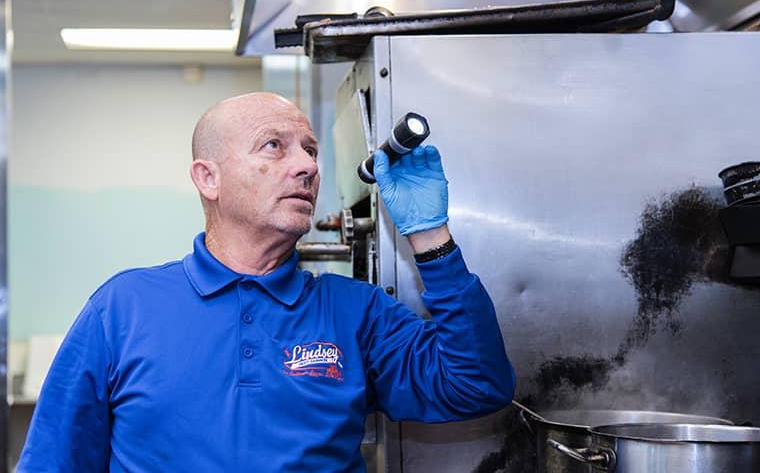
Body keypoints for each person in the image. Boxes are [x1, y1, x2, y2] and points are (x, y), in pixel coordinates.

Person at [17, 92, 516, 472]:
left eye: (310, 151)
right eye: (274, 146)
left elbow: (476, 385)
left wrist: (431, 237)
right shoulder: (121, 309)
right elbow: (51, 462)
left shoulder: (355, 312)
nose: (306, 166)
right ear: (207, 178)